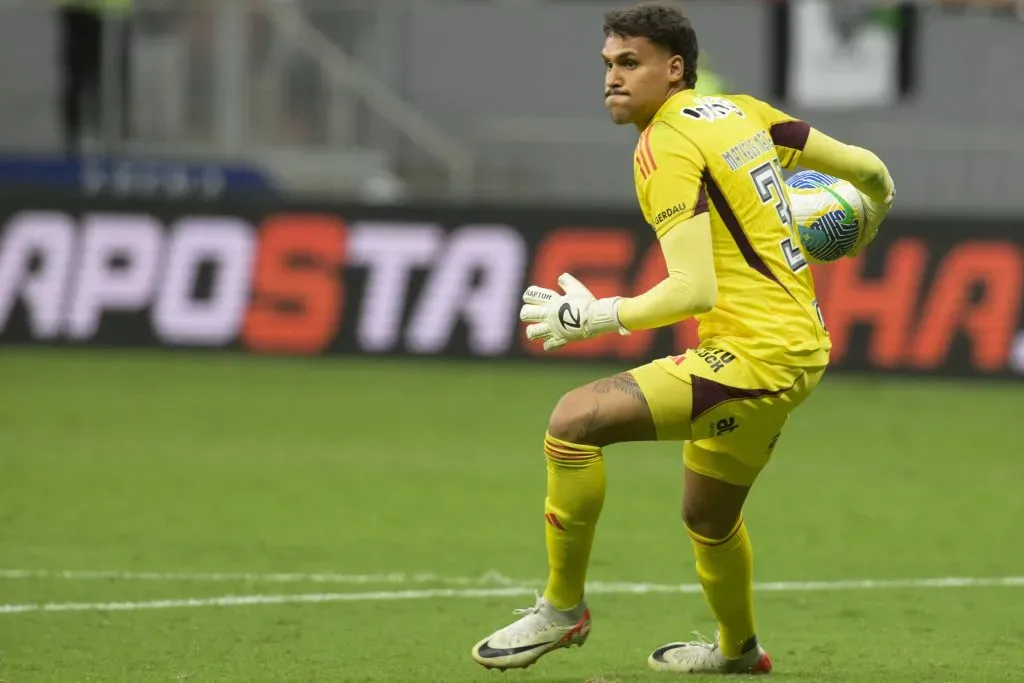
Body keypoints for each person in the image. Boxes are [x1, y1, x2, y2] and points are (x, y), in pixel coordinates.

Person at [470, 1, 895, 675]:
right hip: (793, 348)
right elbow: (869, 169)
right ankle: (738, 652)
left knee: (573, 422)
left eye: (629, 63)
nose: (612, 78)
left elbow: (691, 290)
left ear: (673, 69)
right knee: (708, 517)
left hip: (755, 357)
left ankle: (561, 610)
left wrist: (598, 316)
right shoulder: (743, 112)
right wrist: (869, 218)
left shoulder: (664, 144)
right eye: (608, 64)